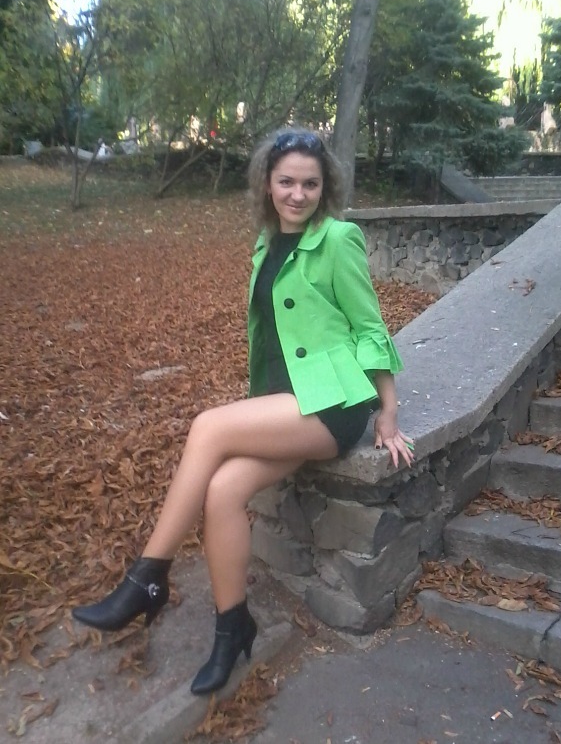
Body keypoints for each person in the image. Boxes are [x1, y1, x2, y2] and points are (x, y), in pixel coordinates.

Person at [72, 127, 415, 695]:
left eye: (310, 184)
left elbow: (369, 327)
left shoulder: (339, 238)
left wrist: (389, 409)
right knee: (223, 490)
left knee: (207, 427)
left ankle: (146, 579)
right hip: (285, 403)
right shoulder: (266, 242)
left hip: (332, 403)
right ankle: (233, 627)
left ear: (325, 188)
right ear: (268, 184)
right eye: (287, 182)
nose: (298, 194)